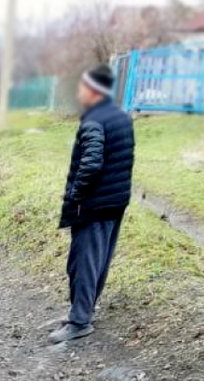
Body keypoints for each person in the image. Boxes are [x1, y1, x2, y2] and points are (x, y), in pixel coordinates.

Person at [50, 64, 135, 344]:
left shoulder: (94, 120)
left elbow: (91, 162)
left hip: (94, 204)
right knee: (99, 261)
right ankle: (83, 310)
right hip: (115, 202)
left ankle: (79, 321)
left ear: (92, 90)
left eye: (81, 87)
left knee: (83, 262)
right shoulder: (121, 116)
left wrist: (75, 196)